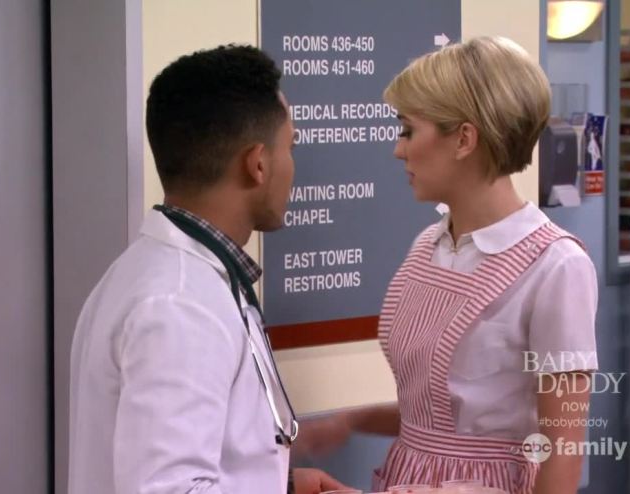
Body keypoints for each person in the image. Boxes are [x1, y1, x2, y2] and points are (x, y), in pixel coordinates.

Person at [68, 45, 347, 494]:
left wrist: (286, 487)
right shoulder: (179, 304)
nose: (293, 166)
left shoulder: (163, 274)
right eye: (290, 147)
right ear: (257, 164)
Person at [336, 36, 598, 494]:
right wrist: (348, 422)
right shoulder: (428, 246)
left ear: (463, 139)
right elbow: (447, 415)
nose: (398, 150)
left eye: (407, 130)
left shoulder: (557, 267)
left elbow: (563, 453)